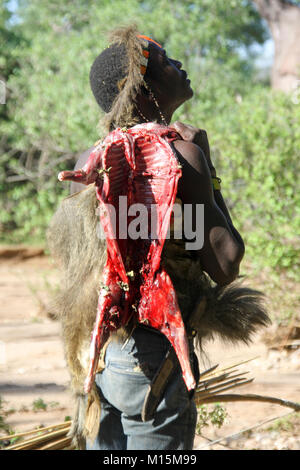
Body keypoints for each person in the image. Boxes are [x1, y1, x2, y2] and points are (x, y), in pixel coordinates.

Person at [48, 26, 269, 451]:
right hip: (156, 358)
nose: (179, 65)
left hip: (103, 359)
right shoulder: (182, 155)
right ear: (141, 88)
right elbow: (225, 264)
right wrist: (209, 173)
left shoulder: (89, 162)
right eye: (166, 62)